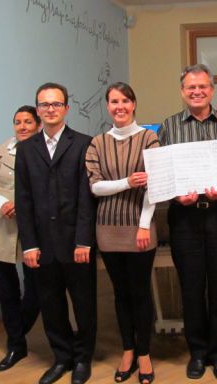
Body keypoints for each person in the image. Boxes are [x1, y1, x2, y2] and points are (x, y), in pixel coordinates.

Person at [158, 64, 217, 380]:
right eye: (191, 87)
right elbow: (162, 174)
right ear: (183, 91)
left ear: (212, 89)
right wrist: (175, 196)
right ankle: (197, 351)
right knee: (191, 286)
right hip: (184, 217)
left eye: (202, 86)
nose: (197, 91)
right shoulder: (169, 127)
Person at [15, 82, 97, 384]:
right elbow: (23, 199)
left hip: (77, 243)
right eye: (44, 104)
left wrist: (84, 240)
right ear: (38, 109)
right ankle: (62, 357)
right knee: (51, 304)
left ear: (66, 108)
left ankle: (83, 358)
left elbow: (87, 197)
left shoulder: (84, 143)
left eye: (56, 104)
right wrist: (29, 245)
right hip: (42, 244)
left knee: (84, 304)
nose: (50, 109)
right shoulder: (26, 149)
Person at [85, 82, 158, 384]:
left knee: (140, 292)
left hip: (140, 228)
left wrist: (144, 224)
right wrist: (128, 182)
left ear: (134, 104)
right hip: (108, 228)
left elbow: (154, 185)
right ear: (108, 106)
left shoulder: (149, 138)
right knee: (120, 293)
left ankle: (144, 353)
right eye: (114, 102)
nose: (120, 107)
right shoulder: (97, 143)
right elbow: (95, 187)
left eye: (125, 101)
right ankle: (128, 349)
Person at [0, 105, 41, 372]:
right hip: (1, 231)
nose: (22, 126)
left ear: (38, 125)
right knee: (7, 290)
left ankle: (17, 330)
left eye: (28, 122)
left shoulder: (44, 152)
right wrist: (1, 203)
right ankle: (16, 344)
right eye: (18, 122)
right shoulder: (2, 151)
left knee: (36, 290)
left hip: (34, 232)